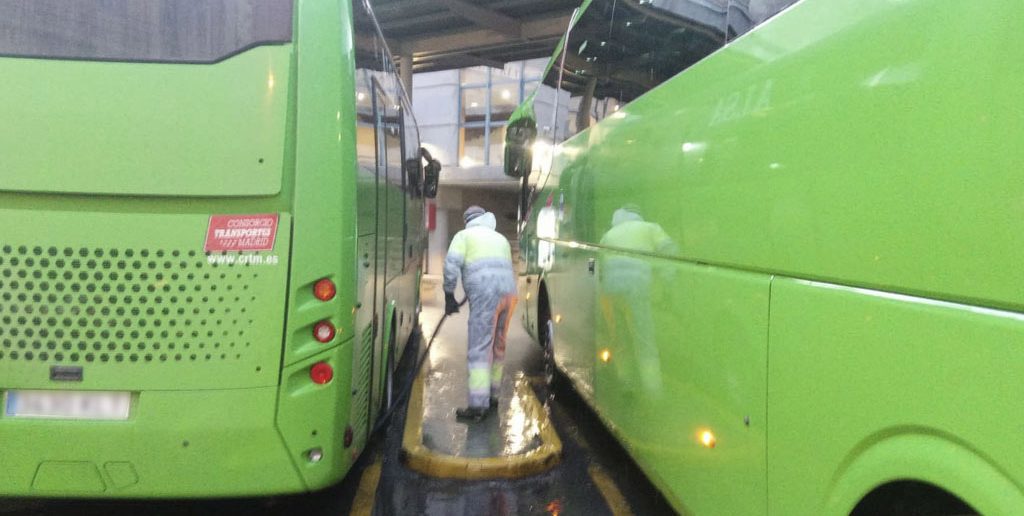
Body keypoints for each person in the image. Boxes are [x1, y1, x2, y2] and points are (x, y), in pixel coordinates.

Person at [443, 205, 517, 422]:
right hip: (509, 294)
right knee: (498, 346)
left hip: (486, 296)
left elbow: (451, 264)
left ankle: (477, 407)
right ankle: (493, 397)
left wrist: (449, 295)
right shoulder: (500, 239)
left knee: (479, 349)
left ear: (468, 221)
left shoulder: (463, 236)